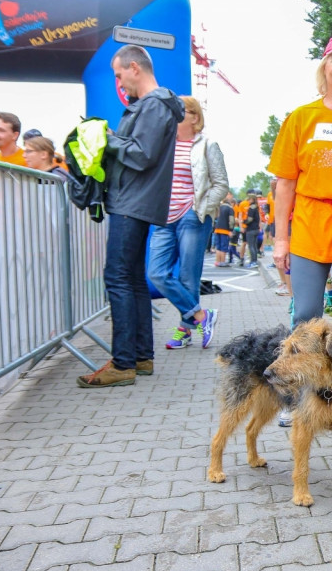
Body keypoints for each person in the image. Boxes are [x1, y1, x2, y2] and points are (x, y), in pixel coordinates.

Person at [78, 44, 184, 388]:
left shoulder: (153, 104)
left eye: (119, 73)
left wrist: (107, 139)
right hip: (137, 201)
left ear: (135, 67)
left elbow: (141, 155)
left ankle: (123, 363)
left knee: (119, 279)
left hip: (132, 202)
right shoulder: (157, 105)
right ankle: (140, 357)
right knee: (133, 280)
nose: (118, 81)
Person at [269, 33, 332, 330]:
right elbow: (285, 184)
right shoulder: (301, 117)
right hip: (309, 225)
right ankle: (306, 376)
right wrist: (280, 240)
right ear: (325, 67)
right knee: (306, 315)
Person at [148, 96, 229, 351]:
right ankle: (202, 316)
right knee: (156, 273)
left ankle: (184, 331)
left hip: (192, 216)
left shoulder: (207, 145)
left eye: (179, 112)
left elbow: (221, 184)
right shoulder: (164, 146)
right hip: (164, 217)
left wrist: (201, 208)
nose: (173, 116)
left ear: (194, 117)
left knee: (188, 278)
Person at [241, 188, 261, 268]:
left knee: (251, 246)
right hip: (256, 229)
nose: (248, 201)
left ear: (252, 199)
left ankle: (253, 261)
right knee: (254, 246)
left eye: (249, 199)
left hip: (251, 229)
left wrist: (244, 221)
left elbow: (250, 219)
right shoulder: (256, 207)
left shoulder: (251, 208)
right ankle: (255, 260)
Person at [213, 196, 235, 267]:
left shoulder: (219, 207)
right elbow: (231, 221)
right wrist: (231, 230)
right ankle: (222, 262)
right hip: (225, 230)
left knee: (218, 246)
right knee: (224, 246)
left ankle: (217, 261)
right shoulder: (230, 209)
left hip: (217, 229)